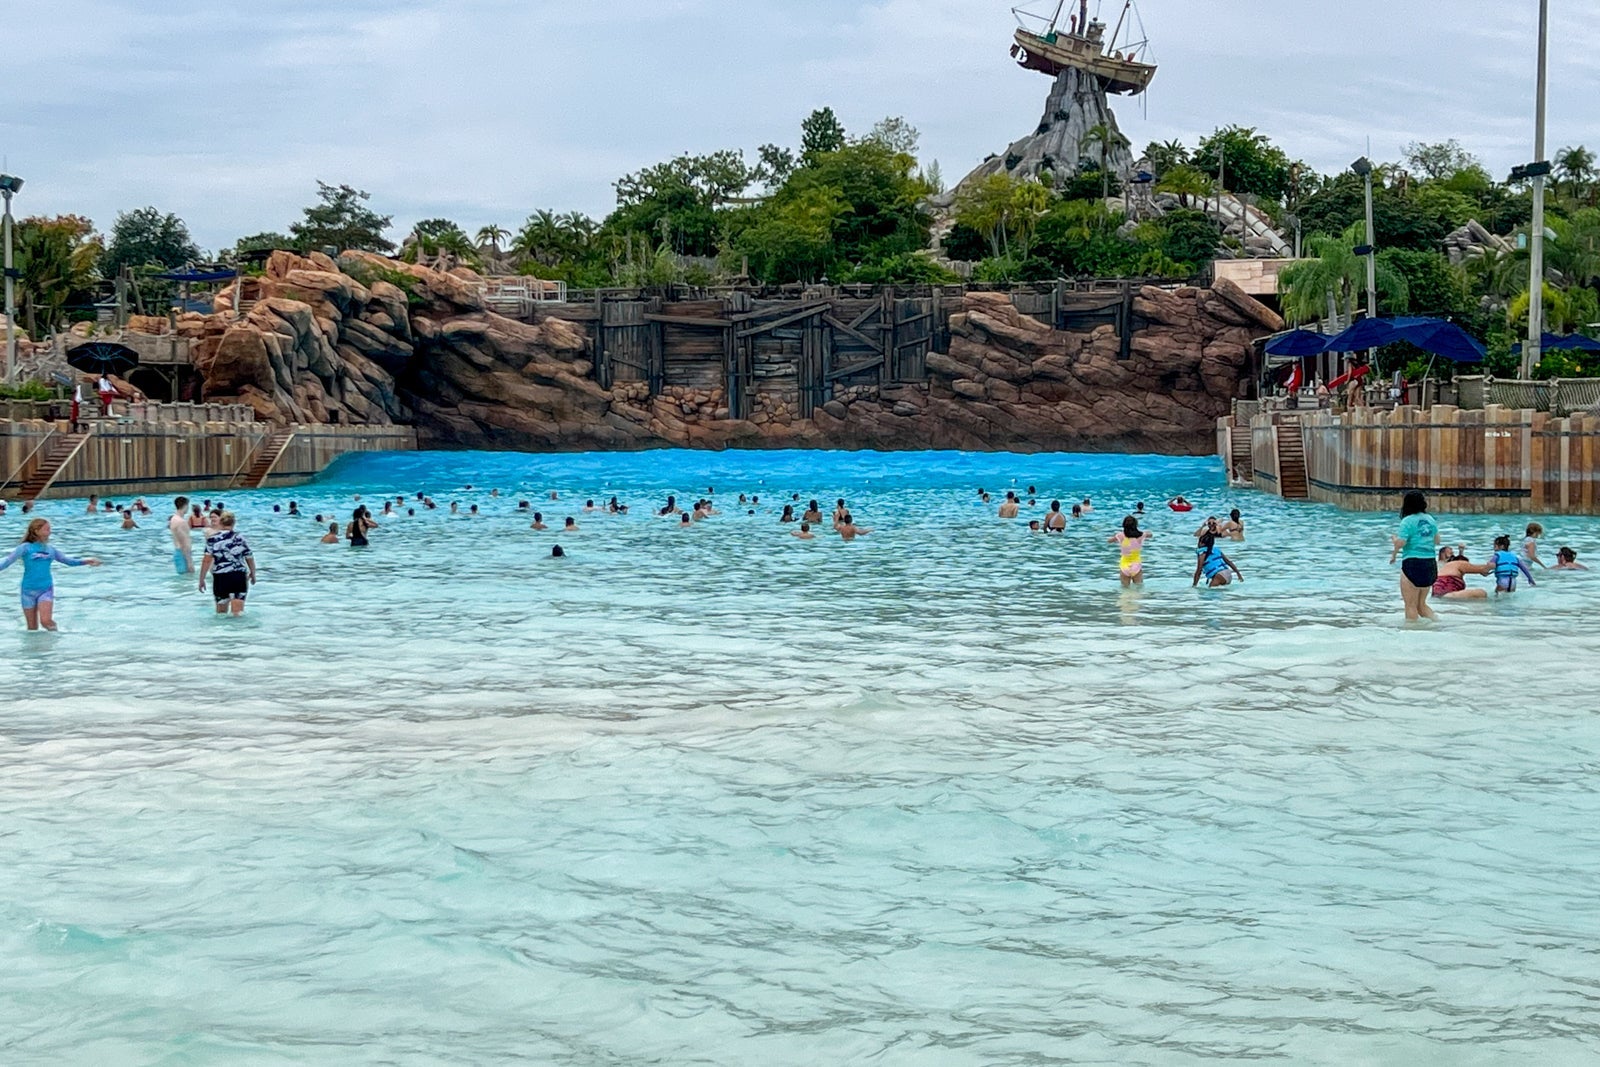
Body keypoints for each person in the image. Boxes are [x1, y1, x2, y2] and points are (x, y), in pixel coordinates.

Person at [0, 519, 103, 631]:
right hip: (27, 591)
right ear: (36, 531)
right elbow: (7, 561)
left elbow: (68, 561)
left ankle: (56, 639)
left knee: (46, 621)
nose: (50, 532)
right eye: (47, 529)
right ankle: (38, 648)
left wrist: (87, 561)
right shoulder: (25, 547)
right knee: (32, 628)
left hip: (46, 589)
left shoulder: (50, 549)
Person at [1389, 490, 1440, 621]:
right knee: (1421, 605)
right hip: (1430, 564)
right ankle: (1439, 625)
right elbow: (1437, 541)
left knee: (1410, 605)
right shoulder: (1430, 519)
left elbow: (1401, 543)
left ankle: (1410, 635)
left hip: (1413, 563)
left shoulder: (1407, 521)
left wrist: (1395, 541)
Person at [197, 511, 256, 616]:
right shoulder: (240, 538)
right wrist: (253, 573)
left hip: (220, 578)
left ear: (220, 522)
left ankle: (221, 632)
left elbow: (206, 560)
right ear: (233, 523)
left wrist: (202, 579)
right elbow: (249, 557)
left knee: (221, 614)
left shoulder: (212, 539)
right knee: (238, 613)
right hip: (238, 576)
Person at [1109, 516, 1150, 587]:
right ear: (1136, 525)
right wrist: (1145, 533)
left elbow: (1109, 541)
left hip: (1124, 565)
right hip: (1136, 565)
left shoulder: (1120, 535)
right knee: (1139, 589)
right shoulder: (1141, 535)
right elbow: (1150, 535)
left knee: (1124, 589)